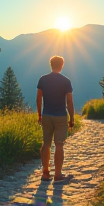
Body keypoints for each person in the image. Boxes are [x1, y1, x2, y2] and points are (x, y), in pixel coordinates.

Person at [36, 55, 75, 183]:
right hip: (61, 116)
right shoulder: (66, 81)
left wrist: (39, 115)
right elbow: (69, 102)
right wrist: (72, 118)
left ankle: (45, 173)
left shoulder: (43, 79)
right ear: (61, 65)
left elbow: (39, 99)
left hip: (46, 115)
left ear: (50, 64)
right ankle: (58, 175)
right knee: (59, 144)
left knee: (46, 144)